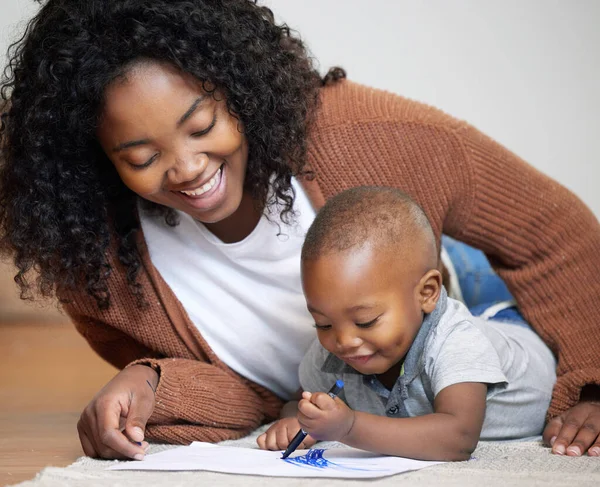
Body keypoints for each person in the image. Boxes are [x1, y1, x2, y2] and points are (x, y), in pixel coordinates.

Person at [0, 0, 598, 461]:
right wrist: (148, 382)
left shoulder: (368, 136)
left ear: (237, 87)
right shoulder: (93, 261)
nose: (186, 169)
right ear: (97, 160)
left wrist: (592, 383)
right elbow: (249, 396)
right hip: (352, 375)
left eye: (200, 123)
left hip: (465, 290)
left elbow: (553, 234)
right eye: (139, 157)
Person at [257, 187, 557, 461]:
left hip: (514, 330)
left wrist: (348, 427)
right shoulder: (334, 347)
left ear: (427, 293)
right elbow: (298, 401)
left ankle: (460, 268)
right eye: (322, 324)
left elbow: (458, 439)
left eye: (366, 321)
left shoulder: (456, 341)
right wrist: (301, 417)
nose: (344, 341)